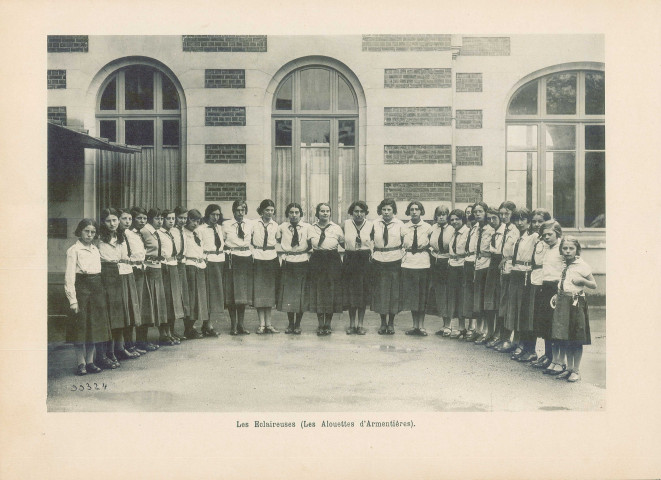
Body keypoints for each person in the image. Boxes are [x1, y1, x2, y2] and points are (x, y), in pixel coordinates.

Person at [64, 219, 112, 375]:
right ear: (80, 231)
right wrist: (73, 300)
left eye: (92, 232)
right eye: (86, 231)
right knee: (81, 329)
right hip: (82, 290)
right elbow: (69, 277)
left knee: (94, 328)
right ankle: (81, 363)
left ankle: (90, 362)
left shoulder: (95, 249)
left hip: (96, 290)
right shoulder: (74, 250)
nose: (90, 235)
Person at [549, 237, 597, 382]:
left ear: (577, 250)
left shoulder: (582, 265)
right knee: (566, 337)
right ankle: (569, 368)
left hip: (576, 304)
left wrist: (582, 281)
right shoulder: (564, 264)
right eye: (565, 248)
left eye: (571, 248)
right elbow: (563, 282)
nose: (568, 251)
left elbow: (594, 285)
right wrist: (557, 295)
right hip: (563, 303)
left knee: (576, 338)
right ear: (561, 250)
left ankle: (576, 370)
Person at [97, 208, 138, 368]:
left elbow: (125, 257)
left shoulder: (120, 236)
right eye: (108, 221)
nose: (112, 223)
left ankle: (118, 349)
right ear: (103, 222)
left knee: (119, 316)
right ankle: (108, 353)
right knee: (110, 317)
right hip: (106, 277)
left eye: (115, 220)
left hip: (121, 276)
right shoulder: (99, 238)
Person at [518, 208, 552, 363]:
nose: (537, 224)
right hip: (532, 280)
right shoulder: (536, 239)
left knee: (542, 319)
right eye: (534, 221)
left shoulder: (550, 241)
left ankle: (547, 355)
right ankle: (530, 349)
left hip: (544, 282)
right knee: (530, 316)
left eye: (541, 221)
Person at [504, 208, 537, 360]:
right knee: (514, 308)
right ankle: (516, 341)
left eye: (523, 219)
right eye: (517, 219)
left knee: (523, 310)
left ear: (529, 222)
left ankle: (524, 344)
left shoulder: (533, 237)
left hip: (526, 273)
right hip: (515, 272)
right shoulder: (516, 235)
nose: (520, 222)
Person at [307, 202, 344, 335]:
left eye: (327, 211)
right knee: (318, 291)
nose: (325, 213)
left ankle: (328, 323)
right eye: (322, 211)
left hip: (332, 260)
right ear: (317, 213)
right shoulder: (311, 228)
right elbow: (306, 244)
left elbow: (344, 244)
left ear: (330, 213)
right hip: (317, 260)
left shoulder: (336, 228)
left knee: (330, 292)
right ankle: (320, 324)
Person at [531, 219, 563, 371]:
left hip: (557, 289)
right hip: (545, 287)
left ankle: (556, 359)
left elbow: (565, 270)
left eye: (550, 234)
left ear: (557, 233)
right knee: (545, 323)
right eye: (544, 235)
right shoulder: (547, 248)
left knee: (554, 325)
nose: (547, 237)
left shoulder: (562, 248)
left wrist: (559, 291)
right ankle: (548, 356)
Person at [370, 198, 405, 335]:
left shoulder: (400, 224)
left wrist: (402, 256)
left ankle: (391, 323)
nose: (386, 212)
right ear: (380, 211)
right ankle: (382, 322)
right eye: (383, 209)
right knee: (381, 292)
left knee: (393, 293)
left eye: (389, 210)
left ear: (393, 211)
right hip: (379, 260)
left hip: (395, 260)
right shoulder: (374, 224)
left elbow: (406, 242)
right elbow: (370, 240)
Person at [277, 202, 311, 334]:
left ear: (301, 214)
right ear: (287, 214)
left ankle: (298, 324)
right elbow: (277, 240)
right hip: (288, 261)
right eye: (291, 212)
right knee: (289, 295)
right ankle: (290, 323)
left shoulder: (307, 227)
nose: (294, 215)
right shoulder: (282, 227)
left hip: (302, 261)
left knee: (300, 294)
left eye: (297, 212)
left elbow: (310, 243)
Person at [138, 208, 169, 348]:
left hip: (157, 269)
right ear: (150, 219)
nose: (160, 221)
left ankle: (161, 336)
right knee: (146, 305)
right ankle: (142, 340)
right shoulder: (144, 231)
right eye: (157, 218)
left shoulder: (157, 232)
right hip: (148, 270)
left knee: (158, 304)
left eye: (162, 218)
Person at [400, 201, 432, 336]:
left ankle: (422, 326)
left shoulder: (428, 227)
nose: (414, 212)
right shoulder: (404, 227)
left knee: (422, 295)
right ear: (408, 212)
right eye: (411, 209)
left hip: (423, 263)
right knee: (413, 296)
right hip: (408, 263)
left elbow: (432, 244)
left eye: (417, 209)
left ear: (421, 211)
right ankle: (414, 326)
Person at [223, 200, 254, 335]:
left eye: (243, 210)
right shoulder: (226, 224)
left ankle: (241, 325)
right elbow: (222, 241)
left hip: (245, 258)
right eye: (238, 210)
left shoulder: (250, 224)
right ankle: (233, 325)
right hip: (232, 258)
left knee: (242, 294)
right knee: (232, 294)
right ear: (233, 211)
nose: (240, 213)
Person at [115, 208, 143, 359]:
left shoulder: (130, 235)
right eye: (124, 218)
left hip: (130, 272)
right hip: (119, 274)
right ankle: (121, 347)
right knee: (123, 310)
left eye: (129, 219)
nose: (127, 222)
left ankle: (129, 344)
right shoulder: (115, 236)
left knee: (131, 309)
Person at [342, 201, 373, 335]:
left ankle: (360, 324)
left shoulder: (371, 225)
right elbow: (341, 241)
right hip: (350, 259)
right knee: (351, 293)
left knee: (362, 293)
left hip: (365, 260)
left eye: (362, 211)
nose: (359, 214)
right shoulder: (345, 224)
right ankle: (351, 324)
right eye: (356, 211)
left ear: (365, 213)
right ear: (351, 212)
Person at [494, 201, 519, 352]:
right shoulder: (505, 229)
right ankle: (503, 338)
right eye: (501, 214)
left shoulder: (516, 230)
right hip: (504, 268)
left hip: (513, 270)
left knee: (510, 305)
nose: (503, 217)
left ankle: (512, 340)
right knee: (502, 304)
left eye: (506, 214)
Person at [252, 199, 280, 334]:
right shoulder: (253, 224)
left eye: (272, 210)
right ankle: (261, 324)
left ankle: (269, 324)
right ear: (261, 211)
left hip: (271, 259)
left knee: (269, 292)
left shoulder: (276, 225)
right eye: (267, 210)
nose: (269, 212)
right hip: (258, 258)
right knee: (260, 292)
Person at [196, 204, 225, 337]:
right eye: (213, 214)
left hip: (219, 262)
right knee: (207, 294)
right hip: (208, 263)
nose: (215, 217)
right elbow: (199, 247)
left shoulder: (220, 228)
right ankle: (206, 324)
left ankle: (208, 323)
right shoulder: (200, 229)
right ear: (207, 215)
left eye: (218, 215)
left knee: (215, 294)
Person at [469, 201, 494, 344]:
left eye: (480, 211)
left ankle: (487, 331)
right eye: (475, 212)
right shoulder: (475, 228)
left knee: (487, 300)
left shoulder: (491, 228)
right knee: (477, 299)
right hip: (477, 264)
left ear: (485, 212)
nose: (477, 214)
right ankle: (478, 330)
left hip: (488, 264)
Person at [160, 209, 185, 344]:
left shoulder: (173, 233)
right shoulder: (159, 233)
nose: (171, 221)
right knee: (166, 301)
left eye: (173, 218)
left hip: (174, 266)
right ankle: (163, 333)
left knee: (174, 300)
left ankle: (171, 331)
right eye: (168, 218)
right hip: (165, 268)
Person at [428, 206, 454, 336]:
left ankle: (449, 325)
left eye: (444, 214)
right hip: (436, 261)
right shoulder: (432, 229)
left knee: (448, 292)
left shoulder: (452, 229)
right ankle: (444, 324)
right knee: (440, 293)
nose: (441, 217)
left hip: (448, 262)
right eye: (439, 214)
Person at [182, 209, 208, 339]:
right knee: (191, 298)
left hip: (199, 266)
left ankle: (192, 326)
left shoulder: (196, 234)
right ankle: (188, 328)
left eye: (198, 221)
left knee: (199, 298)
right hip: (189, 266)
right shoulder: (183, 233)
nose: (195, 224)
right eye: (193, 220)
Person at [126, 207, 149, 353]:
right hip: (132, 270)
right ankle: (129, 345)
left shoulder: (141, 234)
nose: (142, 221)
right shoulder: (127, 234)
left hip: (142, 270)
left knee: (142, 306)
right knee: (132, 307)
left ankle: (142, 341)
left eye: (145, 218)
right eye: (139, 218)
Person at [447, 209, 470, 338]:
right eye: (452, 220)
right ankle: (456, 326)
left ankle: (463, 328)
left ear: (463, 220)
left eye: (457, 219)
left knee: (462, 296)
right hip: (453, 267)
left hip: (463, 267)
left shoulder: (468, 232)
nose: (454, 222)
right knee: (454, 296)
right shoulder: (453, 233)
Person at [482, 208, 503, 346]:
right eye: (489, 218)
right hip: (491, 264)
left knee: (499, 300)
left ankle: (498, 333)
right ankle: (489, 332)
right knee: (489, 300)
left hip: (501, 263)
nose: (491, 221)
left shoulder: (506, 231)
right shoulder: (490, 231)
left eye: (494, 218)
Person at [173, 206, 191, 339]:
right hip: (174, 263)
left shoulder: (183, 231)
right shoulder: (172, 231)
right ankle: (171, 330)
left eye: (185, 218)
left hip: (182, 264)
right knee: (173, 296)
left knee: (183, 296)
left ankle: (187, 329)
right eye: (180, 218)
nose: (183, 221)